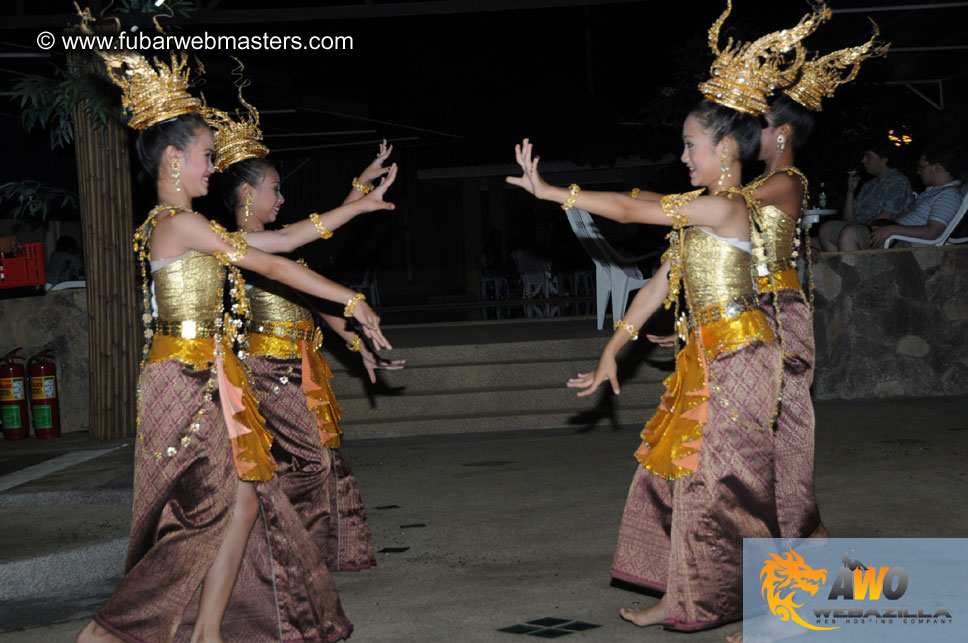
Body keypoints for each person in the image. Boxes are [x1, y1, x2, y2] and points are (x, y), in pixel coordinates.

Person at [78, 51, 394, 643]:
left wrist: (354, 206)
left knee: (244, 502)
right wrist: (351, 300)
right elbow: (269, 261)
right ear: (174, 159)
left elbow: (283, 240)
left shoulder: (191, 225)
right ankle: (110, 631)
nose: (214, 166)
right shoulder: (178, 222)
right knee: (203, 514)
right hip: (184, 378)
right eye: (207, 155)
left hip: (205, 375)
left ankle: (209, 633)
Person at [212, 97, 402, 572]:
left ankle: (315, 557)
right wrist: (360, 200)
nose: (281, 198)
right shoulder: (235, 243)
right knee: (309, 464)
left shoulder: (275, 249)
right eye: (275, 189)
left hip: (300, 364)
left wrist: (357, 345)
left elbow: (313, 300)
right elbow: (298, 237)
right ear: (247, 193)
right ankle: (268, 548)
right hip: (267, 368)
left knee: (323, 459)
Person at [818, 140, 913, 251]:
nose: (863, 160)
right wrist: (850, 192)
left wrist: (857, 228)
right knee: (825, 229)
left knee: (848, 233)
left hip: (884, 234)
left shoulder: (898, 181)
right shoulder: (869, 185)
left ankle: (853, 261)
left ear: (884, 159)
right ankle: (844, 261)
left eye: (868, 157)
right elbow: (849, 220)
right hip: (862, 230)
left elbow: (886, 216)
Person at [865, 145, 963, 248]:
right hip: (894, 237)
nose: (918, 172)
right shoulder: (933, 192)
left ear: (936, 167)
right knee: (854, 230)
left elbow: (932, 232)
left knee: (853, 233)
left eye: (921, 167)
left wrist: (890, 229)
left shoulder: (949, 194)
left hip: (906, 245)